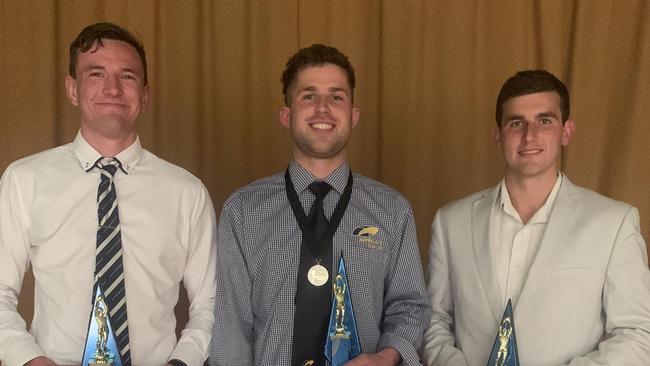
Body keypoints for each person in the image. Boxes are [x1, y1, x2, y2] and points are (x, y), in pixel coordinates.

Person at [0, 22, 216, 366]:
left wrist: (183, 361)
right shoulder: (24, 180)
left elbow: (212, 302)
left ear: (145, 95)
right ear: (72, 89)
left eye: (127, 76)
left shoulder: (187, 193)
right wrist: (29, 360)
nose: (113, 88)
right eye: (96, 74)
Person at [210, 44, 431, 366]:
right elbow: (232, 324)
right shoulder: (244, 210)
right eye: (309, 96)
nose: (323, 108)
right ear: (287, 115)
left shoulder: (393, 210)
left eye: (337, 96)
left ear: (353, 115)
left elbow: (409, 305)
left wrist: (386, 357)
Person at [422, 70, 650, 365]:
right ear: (497, 134)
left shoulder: (614, 223)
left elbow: (638, 332)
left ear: (566, 131)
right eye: (516, 123)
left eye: (544, 120)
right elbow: (433, 319)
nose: (529, 135)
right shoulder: (450, 222)